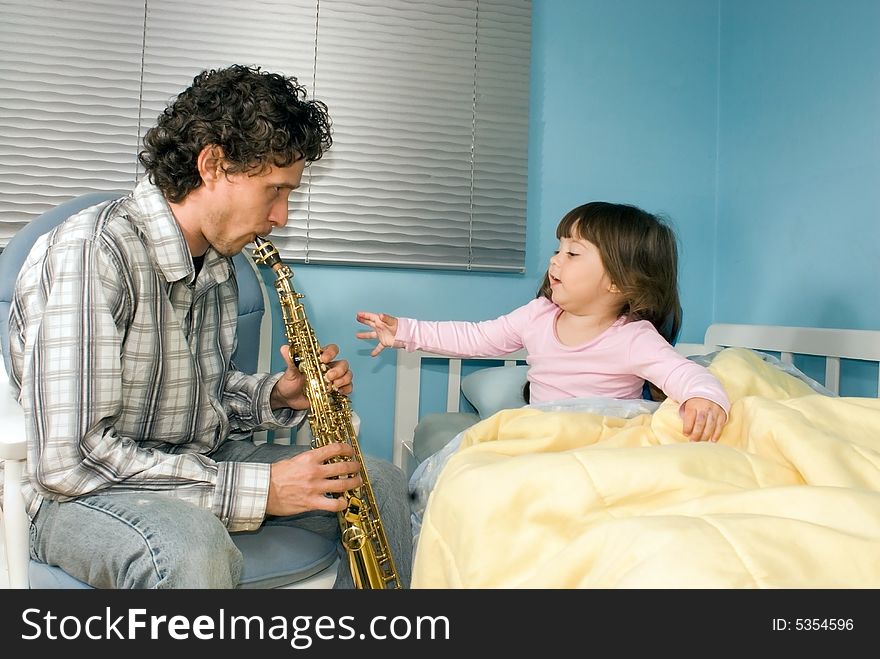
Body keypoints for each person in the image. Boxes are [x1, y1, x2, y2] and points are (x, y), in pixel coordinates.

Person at [8, 64, 411, 588]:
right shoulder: (94, 253)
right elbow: (69, 462)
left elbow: (200, 398)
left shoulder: (219, 263)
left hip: (192, 462)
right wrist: (263, 489)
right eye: (274, 191)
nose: (283, 216)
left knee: (378, 482)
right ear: (214, 165)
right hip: (82, 496)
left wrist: (278, 395)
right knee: (191, 545)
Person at [357, 201, 730, 443]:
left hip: (604, 446)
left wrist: (704, 398)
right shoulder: (538, 315)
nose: (555, 261)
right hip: (540, 438)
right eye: (557, 249)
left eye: (572, 253)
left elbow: (685, 374)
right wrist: (405, 331)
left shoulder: (633, 338)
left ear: (618, 281)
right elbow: (476, 337)